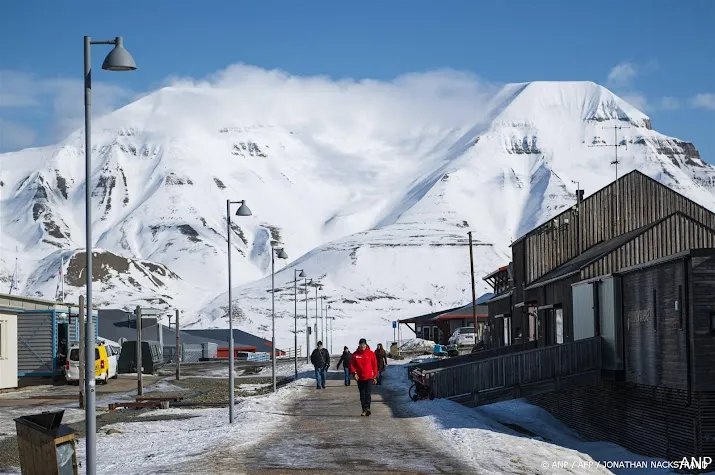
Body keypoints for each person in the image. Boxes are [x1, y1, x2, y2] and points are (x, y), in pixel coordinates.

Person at [349, 338, 378, 416]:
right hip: (360, 377)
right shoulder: (355, 354)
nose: (363, 346)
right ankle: (364, 409)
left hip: (369, 377)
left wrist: (375, 376)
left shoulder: (371, 353)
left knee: (368, 393)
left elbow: (374, 365)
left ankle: (367, 408)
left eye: (364, 345)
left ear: (366, 345)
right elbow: (351, 365)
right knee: (362, 394)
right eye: (361, 345)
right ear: (359, 345)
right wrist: (354, 373)